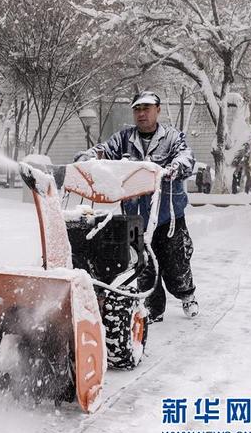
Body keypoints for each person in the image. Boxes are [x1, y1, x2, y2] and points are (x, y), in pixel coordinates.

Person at [75, 90, 198, 322]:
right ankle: (153, 308)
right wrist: (88, 156)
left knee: (176, 262)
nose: (141, 114)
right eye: (137, 109)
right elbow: (103, 150)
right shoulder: (124, 139)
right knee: (143, 264)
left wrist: (175, 168)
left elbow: (186, 157)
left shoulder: (172, 137)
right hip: (135, 216)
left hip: (167, 216)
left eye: (146, 109)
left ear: (158, 110)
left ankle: (187, 295)